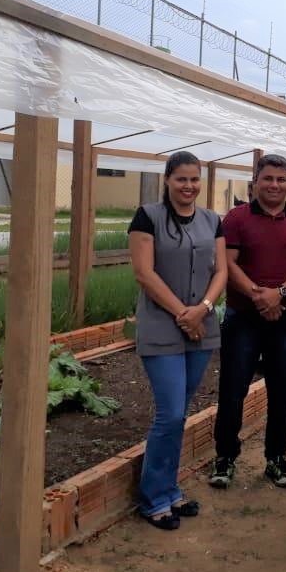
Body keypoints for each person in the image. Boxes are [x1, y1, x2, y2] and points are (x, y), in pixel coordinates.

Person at [128, 151, 227, 529]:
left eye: (194, 179)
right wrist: (183, 314)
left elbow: (221, 271)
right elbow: (144, 273)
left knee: (179, 413)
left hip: (202, 326)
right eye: (181, 179)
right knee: (169, 413)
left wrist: (202, 308)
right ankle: (153, 497)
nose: (188, 186)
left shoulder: (212, 220)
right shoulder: (147, 217)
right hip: (162, 325)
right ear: (167, 180)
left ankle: (170, 491)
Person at [210, 154, 286, 489]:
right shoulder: (237, 218)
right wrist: (260, 296)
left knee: (282, 392)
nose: (274, 185)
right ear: (255, 181)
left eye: (281, 179)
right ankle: (225, 458)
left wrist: (280, 294)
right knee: (232, 390)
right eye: (268, 178)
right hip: (243, 317)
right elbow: (228, 264)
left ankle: (276, 459)